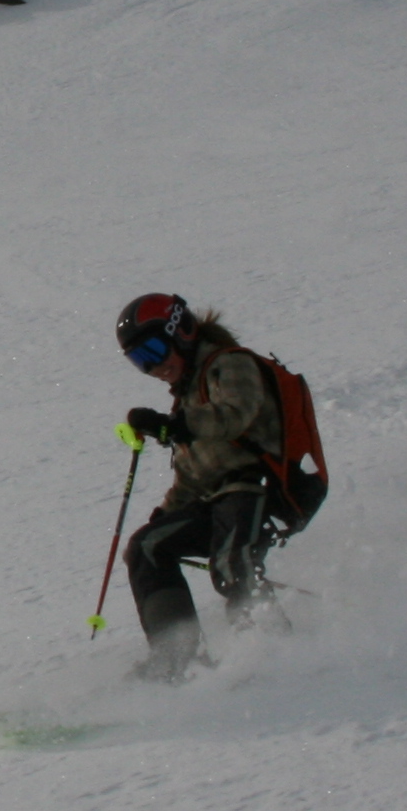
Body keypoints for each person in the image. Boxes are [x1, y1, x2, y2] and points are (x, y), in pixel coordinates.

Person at [113, 291, 288, 680]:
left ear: (183, 332)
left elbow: (234, 415)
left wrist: (174, 426)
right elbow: (193, 476)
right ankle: (177, 660)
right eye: (140, 361)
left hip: (255, 488)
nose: (154, 366)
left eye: (156, 349)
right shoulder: (189, 398)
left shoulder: (231, 363)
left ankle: (277, 652)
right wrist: (165, 518)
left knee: (231, 566)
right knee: (147, 547)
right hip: (217, 499)